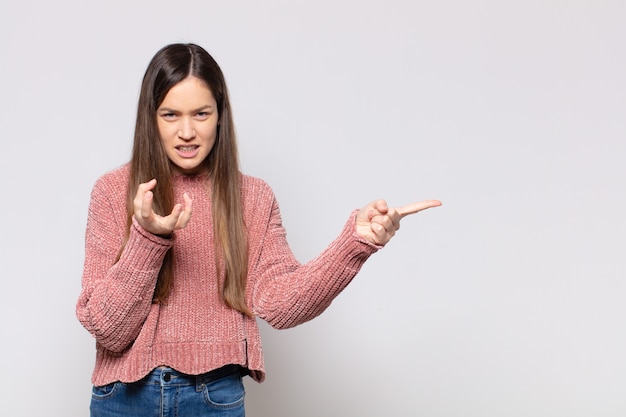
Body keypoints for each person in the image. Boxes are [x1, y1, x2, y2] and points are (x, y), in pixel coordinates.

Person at [76, 42, 441, 417]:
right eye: (170, 115)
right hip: (123, 398)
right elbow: (108, 329)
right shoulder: (113, 192)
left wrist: (356, 243)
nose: (186, 131)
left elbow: (282, 305)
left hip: (212, 396)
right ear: (151, 118)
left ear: (220, 115)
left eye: (201, 113)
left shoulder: (252, 197)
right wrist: (148, 238)